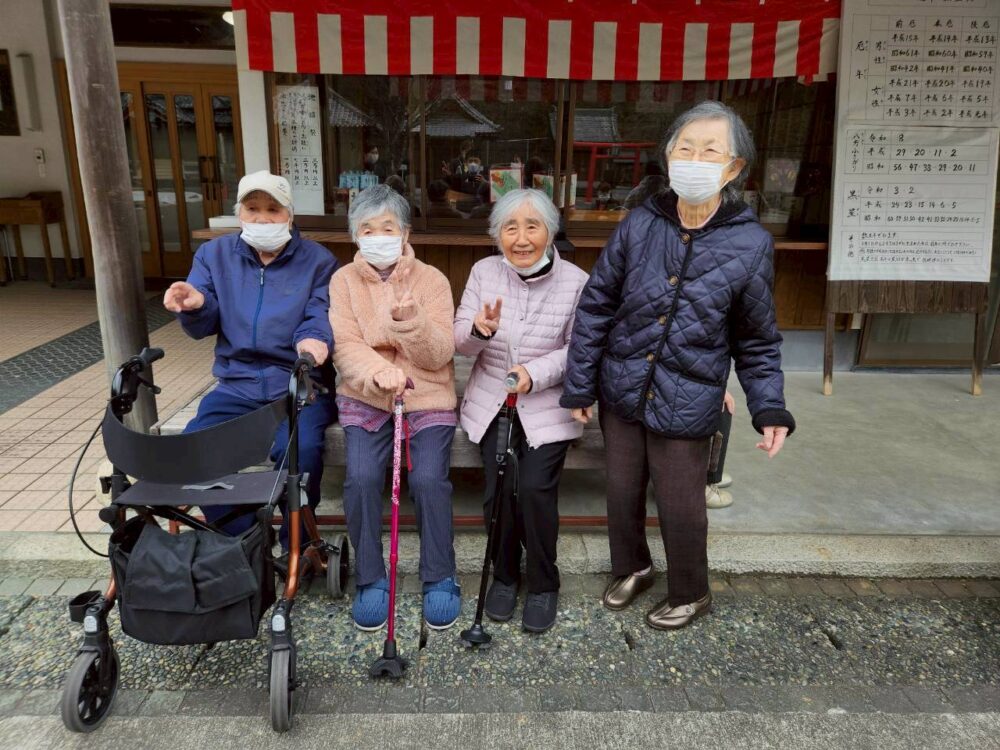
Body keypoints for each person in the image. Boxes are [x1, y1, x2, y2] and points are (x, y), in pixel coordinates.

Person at [561, 101, 795, 630]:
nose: (694, 158)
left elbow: (756, 340)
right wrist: (579, 387)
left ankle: (692, 591)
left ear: (733, 168)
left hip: (689, 395)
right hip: (621, 385)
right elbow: (597, 305)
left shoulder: (751, 244)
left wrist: (770, 406)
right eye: (684, 148)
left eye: (710, 150)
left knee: (681, 503)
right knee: (621, 491)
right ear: (668, 158)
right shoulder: (639, 224)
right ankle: (633, 566)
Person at [163, 170, 337, 546]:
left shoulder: (318, 261)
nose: (262, 218)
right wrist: (194, 306)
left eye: (273, 209)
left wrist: (312, 345)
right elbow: (200, 324)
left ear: (290, 216)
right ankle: (244, 536)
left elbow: (318, 315)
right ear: (238, 212)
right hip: (236, 384)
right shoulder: (213, 255)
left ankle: (300, 543)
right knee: (194, 451)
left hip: (298, 382)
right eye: (253, 208)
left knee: (300, 453)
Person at [455, 189, 588, 633]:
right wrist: (479, 330)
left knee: (533, 489)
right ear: (497, 235)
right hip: (494, 399)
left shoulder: (575, 280)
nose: (522, 237)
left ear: (550, 231)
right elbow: (460, 341)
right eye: (510, 227)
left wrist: (535, 372)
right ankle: (505, 576)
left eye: (533, 226)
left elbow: (580, 350)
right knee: (499, 491)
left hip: (547, 404)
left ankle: (545, 583)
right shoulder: (483, 271)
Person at [329, 184, 461, 631]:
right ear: (355, 236)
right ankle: (370, 577)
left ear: (405, 234)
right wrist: (376, 372)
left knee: (427, 478)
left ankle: (440, 574)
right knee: (362, 477)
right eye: (368, 228)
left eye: (388, 227)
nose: (378, 236)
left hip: (425, 392)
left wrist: (410, 322)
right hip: (365, 394)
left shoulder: (433, 281)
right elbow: (344, 344)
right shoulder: (343, 281)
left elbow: (440, 352)